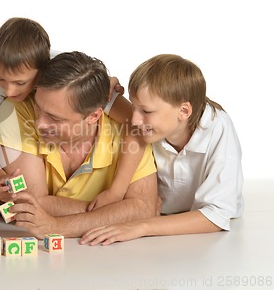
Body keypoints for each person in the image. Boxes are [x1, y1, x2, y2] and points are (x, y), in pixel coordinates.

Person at [0, 51, 159, 238]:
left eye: (54, 118)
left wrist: (57, 226)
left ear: (94, 115)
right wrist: (116, 212)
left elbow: (144, 209)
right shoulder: (16, 113)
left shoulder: (130, 131)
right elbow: (32, 203)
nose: (39, 124)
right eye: (38, 106)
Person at [80, 54, 244, 245]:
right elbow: (65, 76)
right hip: (158, 212)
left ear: (184, 111)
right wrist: (101, 85)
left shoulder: (218, 127)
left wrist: (142, 227)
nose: (134, 119)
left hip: (195, 233)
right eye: (133, 107)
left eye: (146, 111)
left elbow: (216, 215)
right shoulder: (150, 122)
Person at [0, 17, 145, 206]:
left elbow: (139, 127)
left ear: (42, 71)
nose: (9, 92)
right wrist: (1, 175)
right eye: (1, 78)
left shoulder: (68, 77)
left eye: (20, 83)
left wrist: (116, 192)